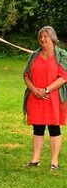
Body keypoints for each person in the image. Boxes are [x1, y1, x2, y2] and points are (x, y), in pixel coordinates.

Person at [22, 26, 67, 170]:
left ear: (53, 38)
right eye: (41, 37)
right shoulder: (34, 56)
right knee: (38, 128)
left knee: (54, 128)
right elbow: (26, 75)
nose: (42, 39)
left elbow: (64, 77)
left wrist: (46, 90)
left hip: (53, 98)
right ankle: (35, 159)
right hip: (36, 97)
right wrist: (35, 90)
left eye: (46, 36)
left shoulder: (62, 55)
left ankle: (54, 162)